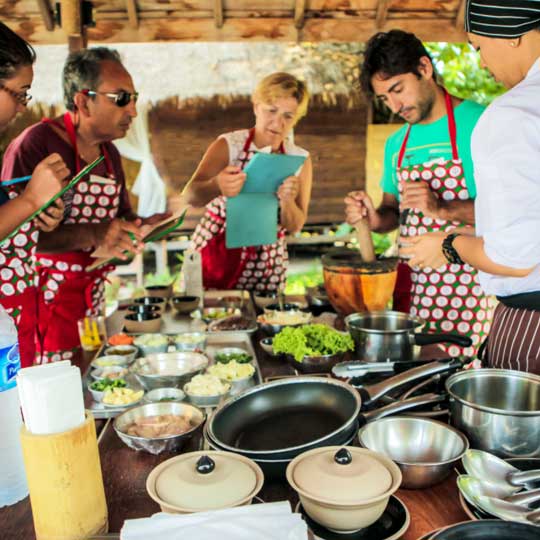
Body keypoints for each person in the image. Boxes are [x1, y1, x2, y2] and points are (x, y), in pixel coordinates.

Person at [2, 47, 166, 363]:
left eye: (134, 97)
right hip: (46, 304)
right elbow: (17, 242)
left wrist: (143, 225)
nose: (132, 110)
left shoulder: (110, 154)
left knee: (90, 376)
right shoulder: (36, 144)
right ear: (83, 101)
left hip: (91, 301)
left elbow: (122, 216)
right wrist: (96, 233)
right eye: (121, 98)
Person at [401, 0, 540, 373]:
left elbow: (515, 259)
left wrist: (447, 244)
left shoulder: (512, 114)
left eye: (478, 46)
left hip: (532, 325)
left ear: (510, 34)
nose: (480, 62)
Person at [344, 30, 489, 357]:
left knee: (457, 380)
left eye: (398, 89)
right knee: (412, 378)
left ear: (424, 68)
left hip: (467, 287)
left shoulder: (481, 123)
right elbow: (392, 214)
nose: (395, 105)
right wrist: (373, 217)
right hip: (413, 286)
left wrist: (443, 208)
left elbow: (511, 213)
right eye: (384, 98)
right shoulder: (397, 143)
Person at [185, 72, 313, 292]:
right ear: (256, 106)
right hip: (217, 254)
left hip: (266, 265)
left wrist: (287, 202)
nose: (278, 122)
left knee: (265, 321)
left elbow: (296, 225)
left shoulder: (299, 159)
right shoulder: (229, 145)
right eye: (271, 110)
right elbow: (190, 196)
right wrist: (217, 185)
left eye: (288, 116)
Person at [0, 22, 70, 368]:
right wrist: (29, 201)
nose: (23, 105)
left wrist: (34, 212)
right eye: (19, 93)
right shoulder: (31, 140)